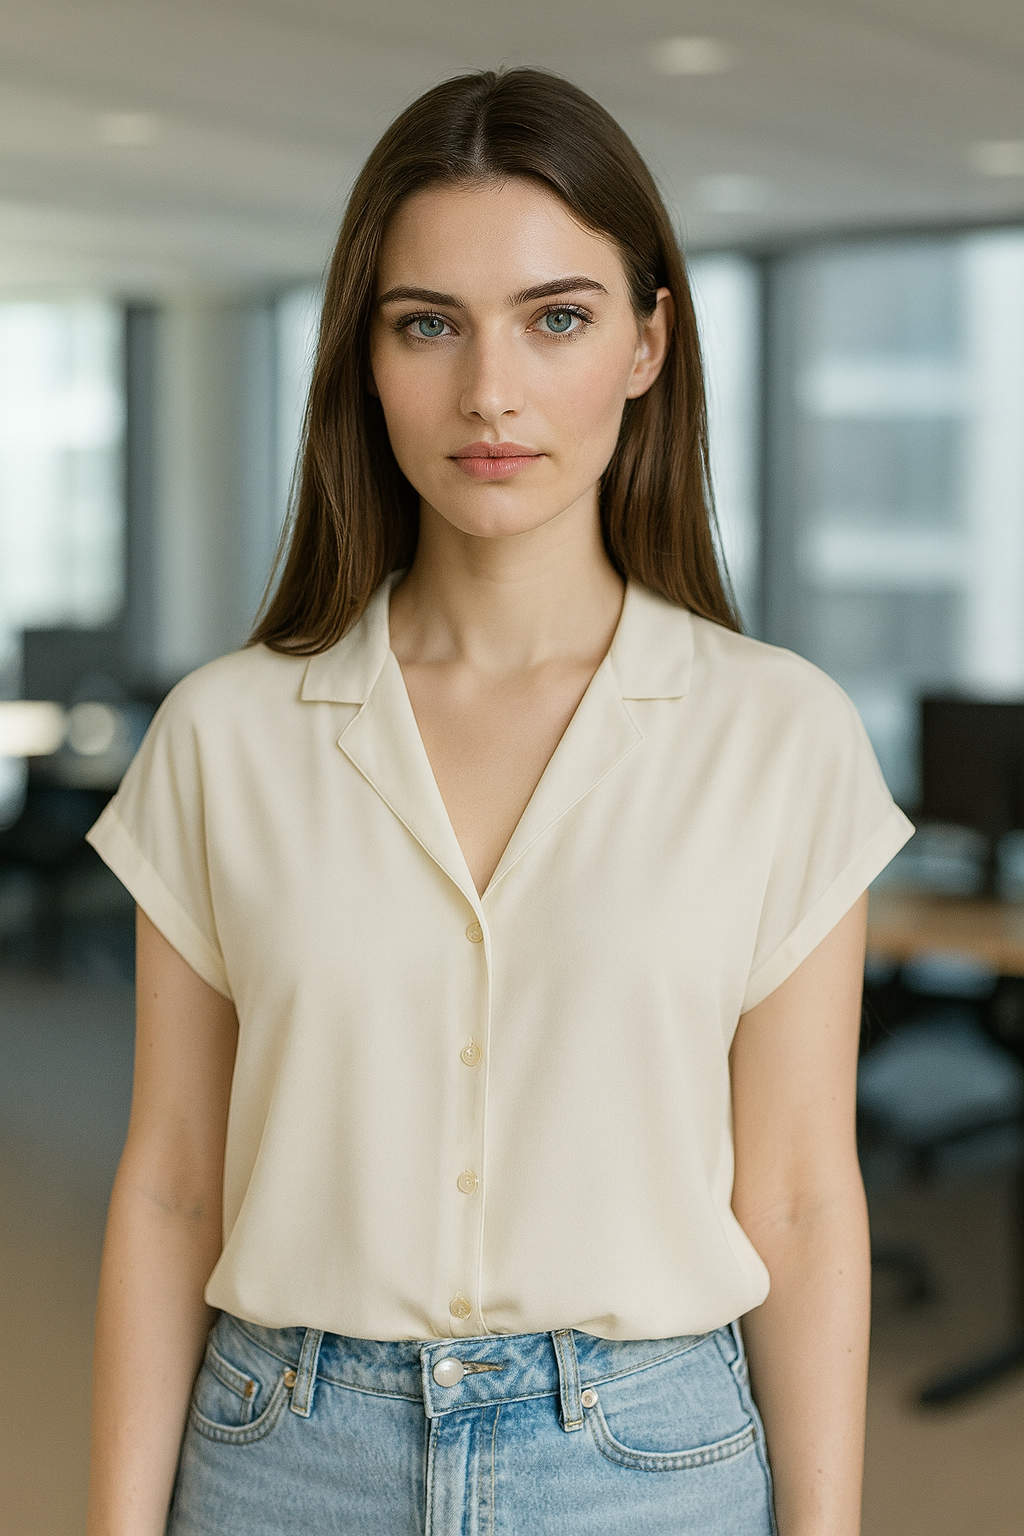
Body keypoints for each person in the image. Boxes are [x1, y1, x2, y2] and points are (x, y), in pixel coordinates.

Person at [85, 68, 912, 1536]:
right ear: (367, 355)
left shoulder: (777, 733)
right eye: (429, 325)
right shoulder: (226, 735)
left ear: (650, 342)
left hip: (648, 1464)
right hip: (285, 1456)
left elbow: (795, 1197)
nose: (491, 391)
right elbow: (171, 1190)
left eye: (559, 316)